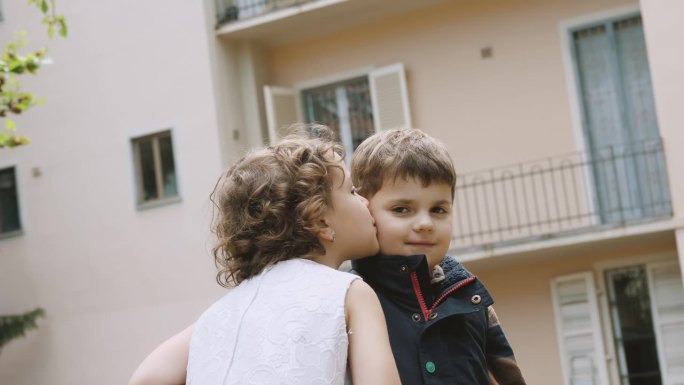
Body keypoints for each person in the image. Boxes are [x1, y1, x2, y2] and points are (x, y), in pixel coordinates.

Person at [128, 126, 400, 385]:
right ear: (322, 222)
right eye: (352, 191)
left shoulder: (218, 314)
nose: (365, 201)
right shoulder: (351, 293)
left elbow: (147, 378)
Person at [351, 128, 526, 385]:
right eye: (401, 209)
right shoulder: (348, 299)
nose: (425, 223)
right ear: (364, 210)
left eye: (438, 209)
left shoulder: (471, 297)